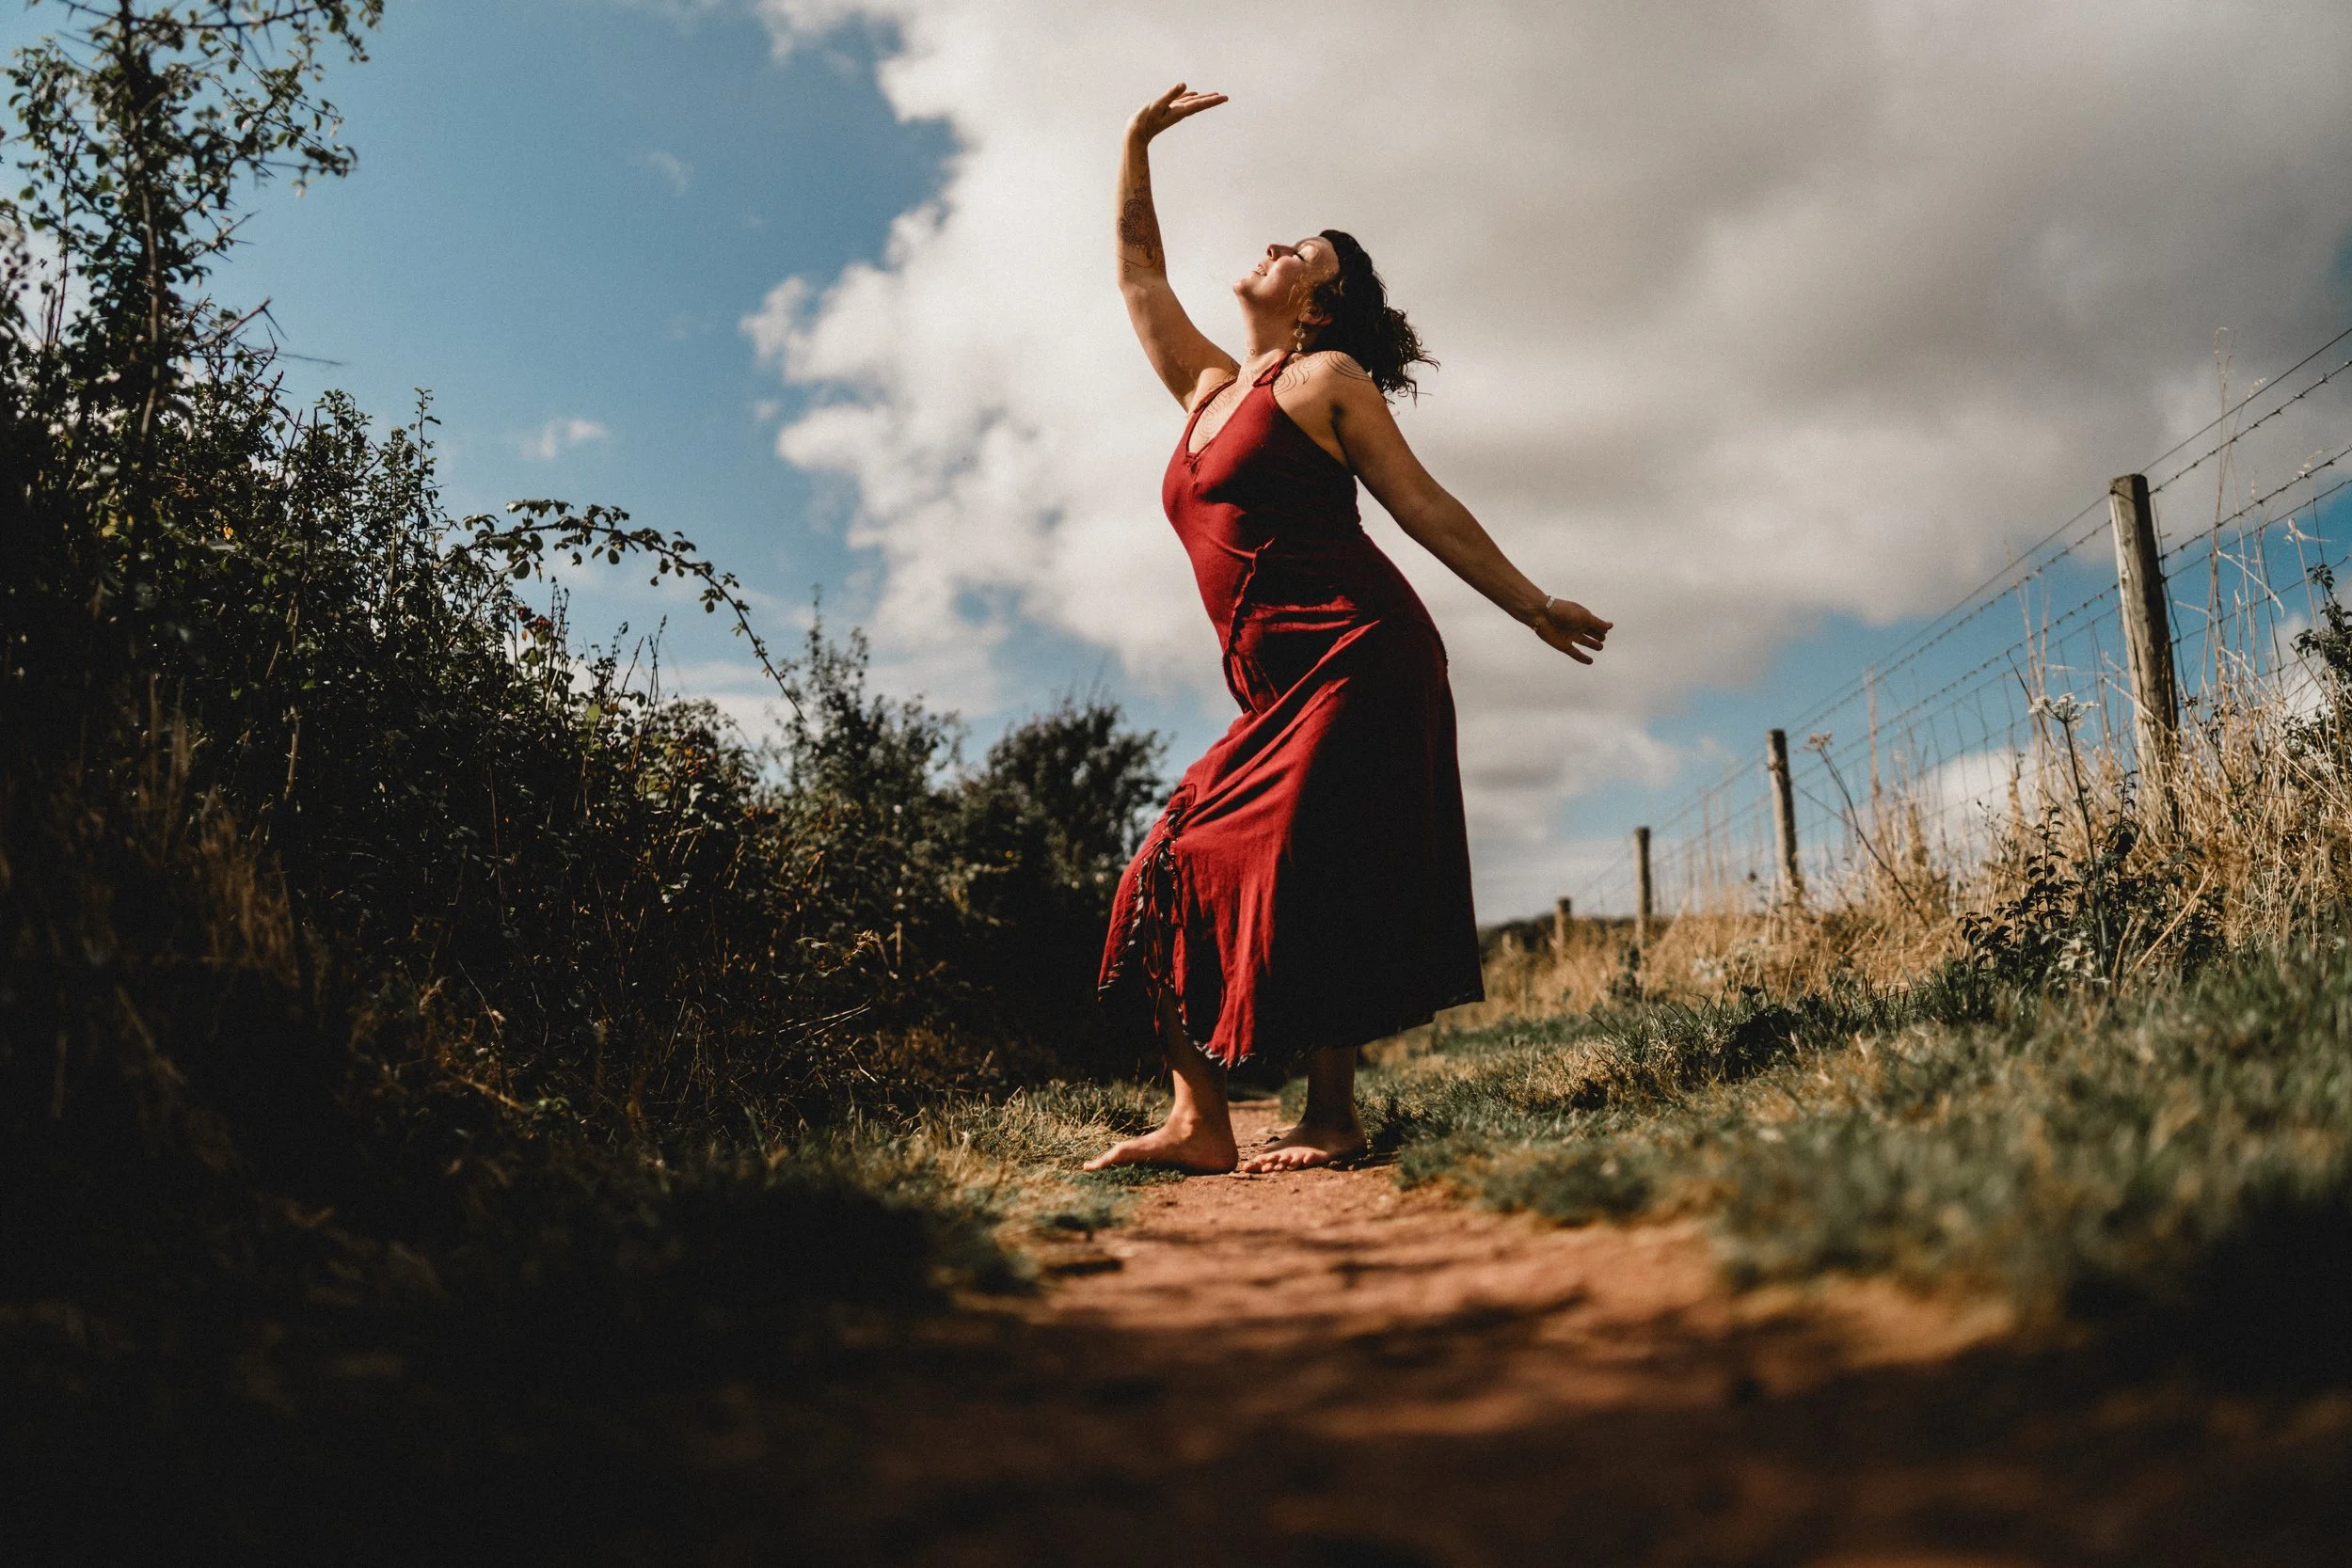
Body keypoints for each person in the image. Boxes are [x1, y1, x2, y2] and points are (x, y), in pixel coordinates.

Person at [1086, 84, 1611, 1176]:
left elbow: (1419, 503)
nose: (1276, 247)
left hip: (1361, 657)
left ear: (1317, 309)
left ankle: (1332, 1115)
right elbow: (1139, 273)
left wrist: (1530, 602)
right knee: (1163, 862)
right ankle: (1200, 1117)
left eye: (1303, 255)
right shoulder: (1206, 387)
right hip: (1276, 691)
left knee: (1308, 862)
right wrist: (1135, 143)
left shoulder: (1323, 378)